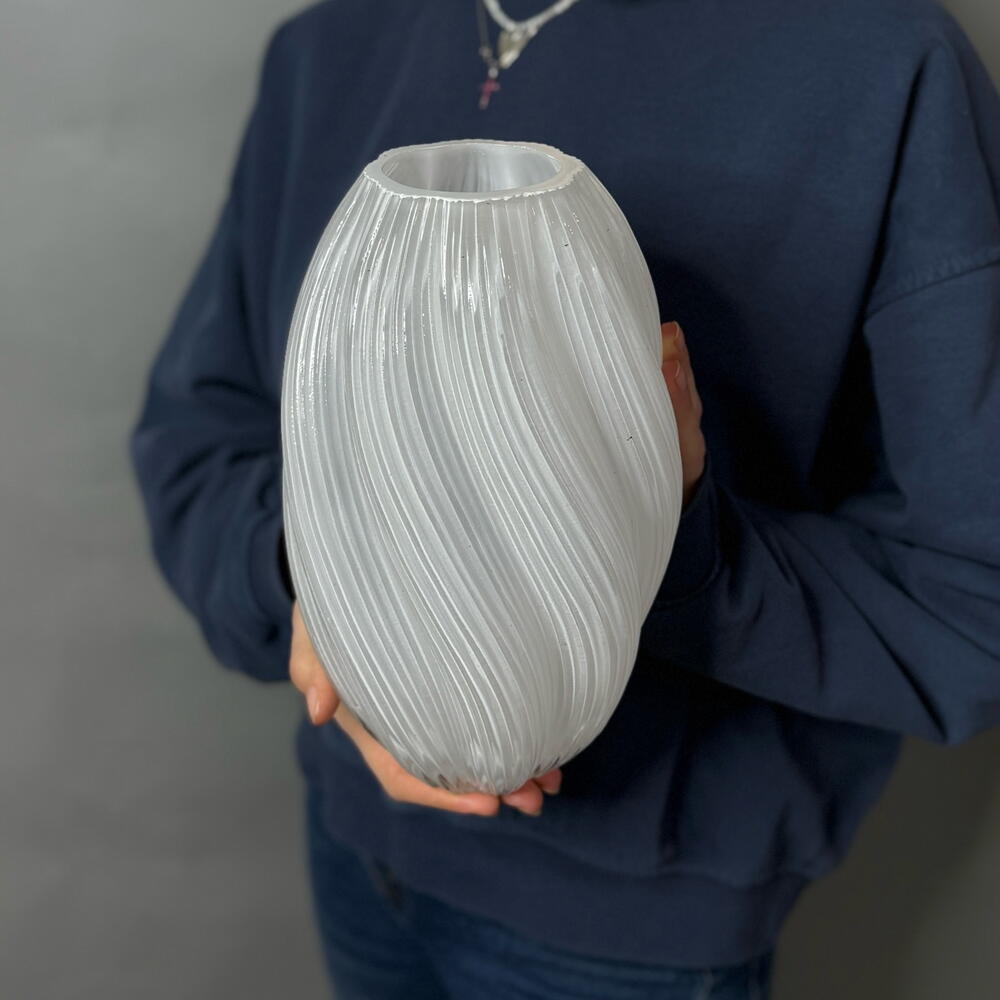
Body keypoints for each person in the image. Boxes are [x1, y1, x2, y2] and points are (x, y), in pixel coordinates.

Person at [130, 0, 1000, 996]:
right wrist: (326, 578)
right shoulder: (329, 45)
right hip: (356, 847)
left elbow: (975, 590)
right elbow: (198, 435)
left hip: (629, 927)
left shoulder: (880, 64)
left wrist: (668, 545)